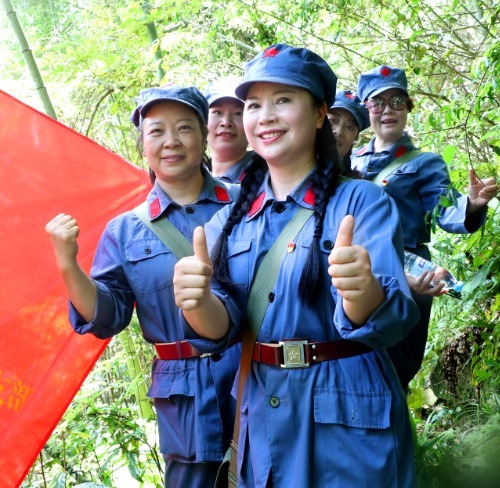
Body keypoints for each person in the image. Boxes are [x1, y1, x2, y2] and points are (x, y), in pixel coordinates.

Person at [172, 45, 420, 486]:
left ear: (321, 112)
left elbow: (395, 317)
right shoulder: (224, 224)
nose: (265, 115)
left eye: (283, 100)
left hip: (348, 411)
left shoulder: (362, 202)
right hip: (262, 411)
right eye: (254, 105)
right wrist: (196, 303)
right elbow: (222, 325)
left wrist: (363, 293)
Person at [45, 86, 241, 487]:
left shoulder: (248, 205)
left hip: (254, 374)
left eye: (184, 128)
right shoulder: (127, 230)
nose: (171, 142)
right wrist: (67, 264)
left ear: (204, 136)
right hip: (185, 398)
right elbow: (106, 316)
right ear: (142, 144)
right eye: (156, 132)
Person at [353, 65, 498, 392]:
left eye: (397, 101)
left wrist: (472, 204)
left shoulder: (424, 162)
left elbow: (445, 209)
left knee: (396, 367)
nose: (388, 110)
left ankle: (398, 439)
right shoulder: (352, 160)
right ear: (366, 109)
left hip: (409, 274)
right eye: (378, 103)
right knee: (356, 362)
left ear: (409, 108)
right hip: (358, 269)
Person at [203, 78, 255, 183]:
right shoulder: (190, 175)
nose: (226, 122)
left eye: (238, 113)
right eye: (217, 112)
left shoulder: (270, 172)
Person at [328, 89, 369, 171]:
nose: (339, 132)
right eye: (332, 120)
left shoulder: (353, 183)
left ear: (355, 138)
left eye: (350, 127)